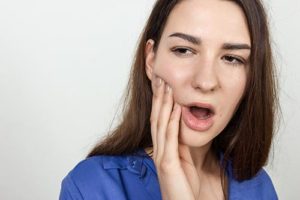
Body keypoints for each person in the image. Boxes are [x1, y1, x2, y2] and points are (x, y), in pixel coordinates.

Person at [59, 0, 279, 199]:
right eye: (184, 50)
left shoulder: (258, 188)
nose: (205, 81)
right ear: (151, 61)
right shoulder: (90, 188)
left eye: (231, 58)